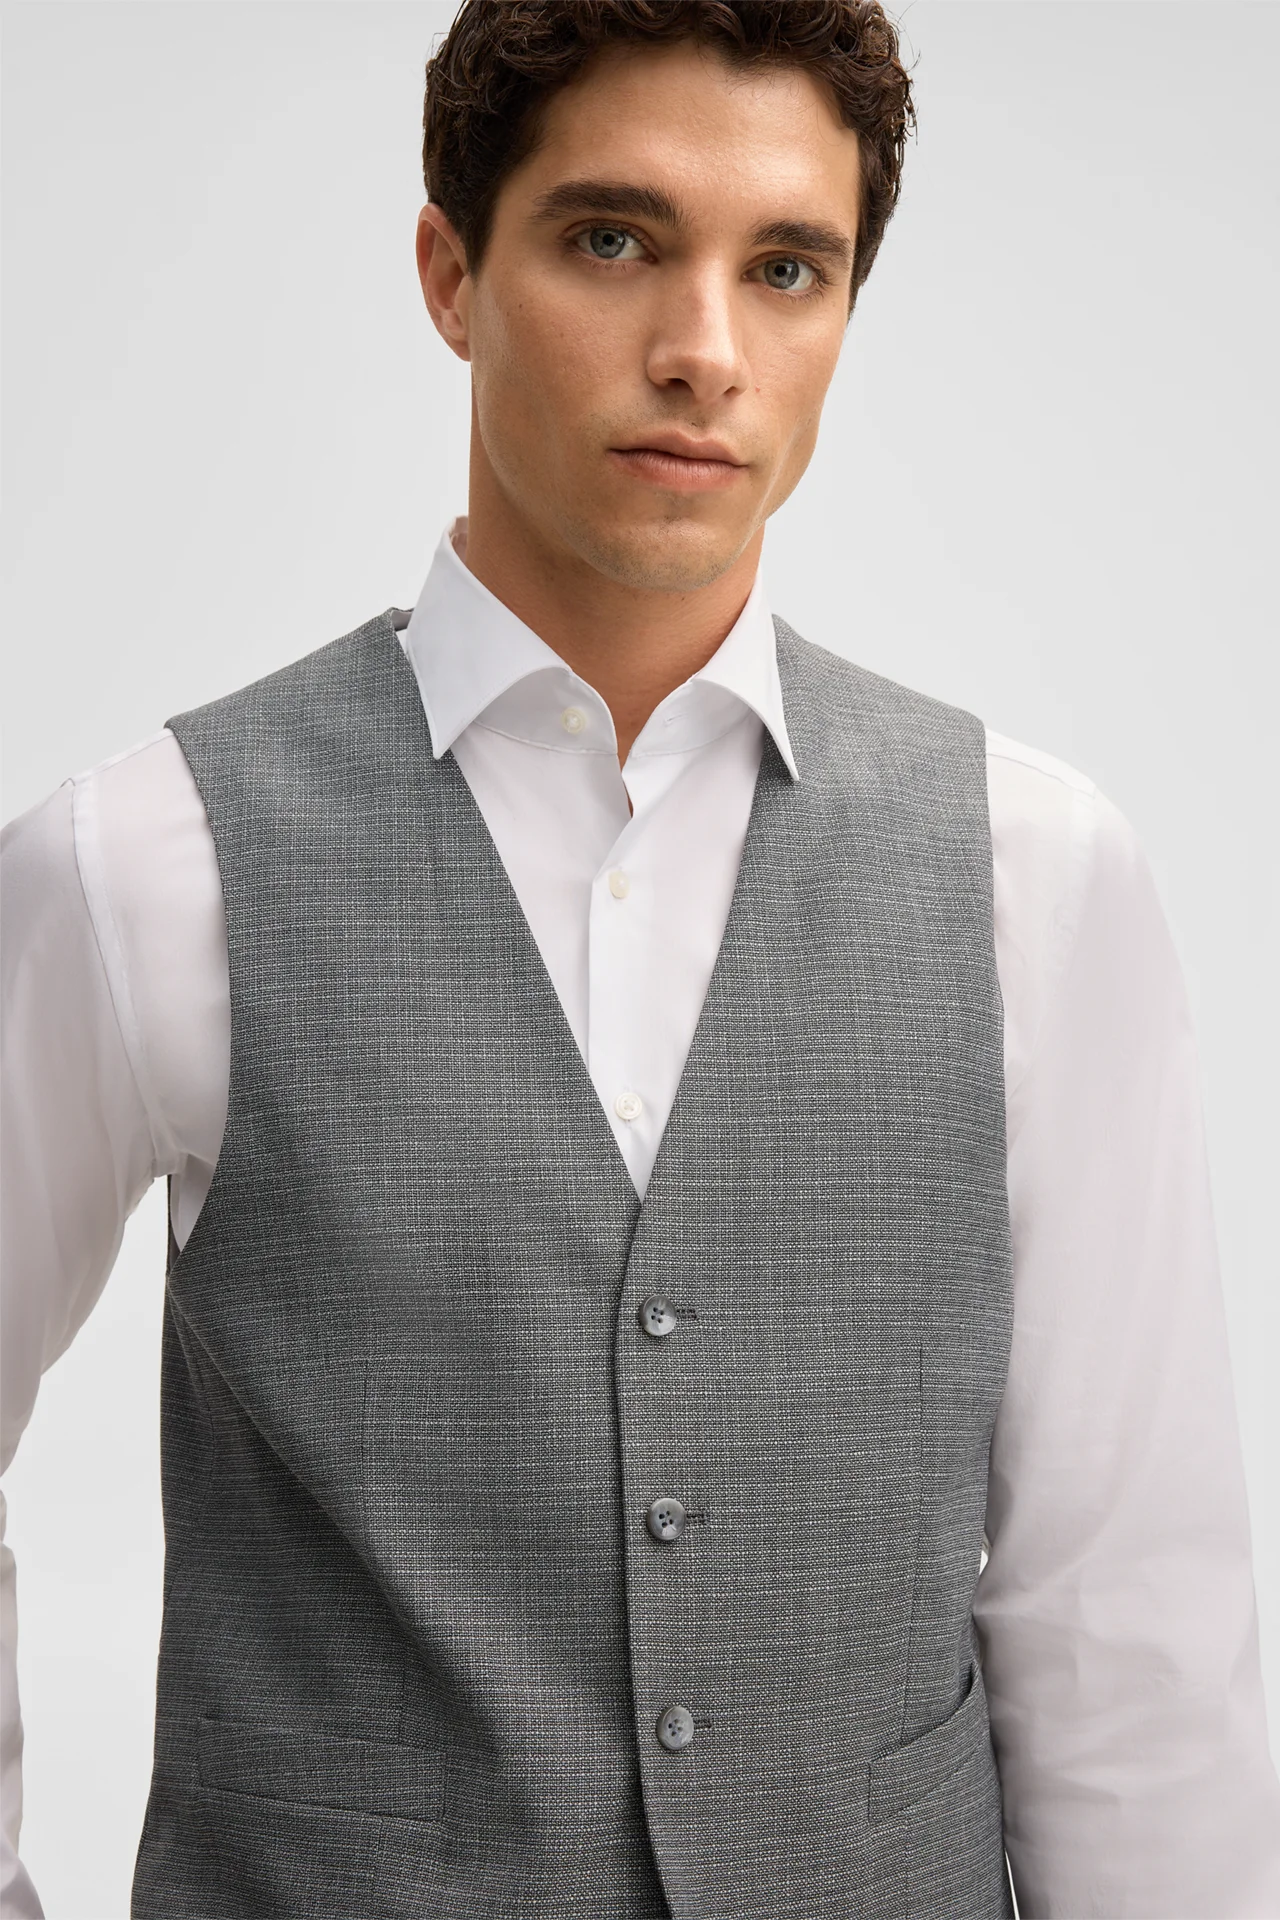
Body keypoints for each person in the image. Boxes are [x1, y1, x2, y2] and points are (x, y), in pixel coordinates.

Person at [3, 1, 1279, 1914]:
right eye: (613, 239)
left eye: (788, 269)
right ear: (452, 272)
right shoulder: (145, 864)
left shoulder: (1041, 877)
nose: (705, 350)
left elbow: (1131, 1619)